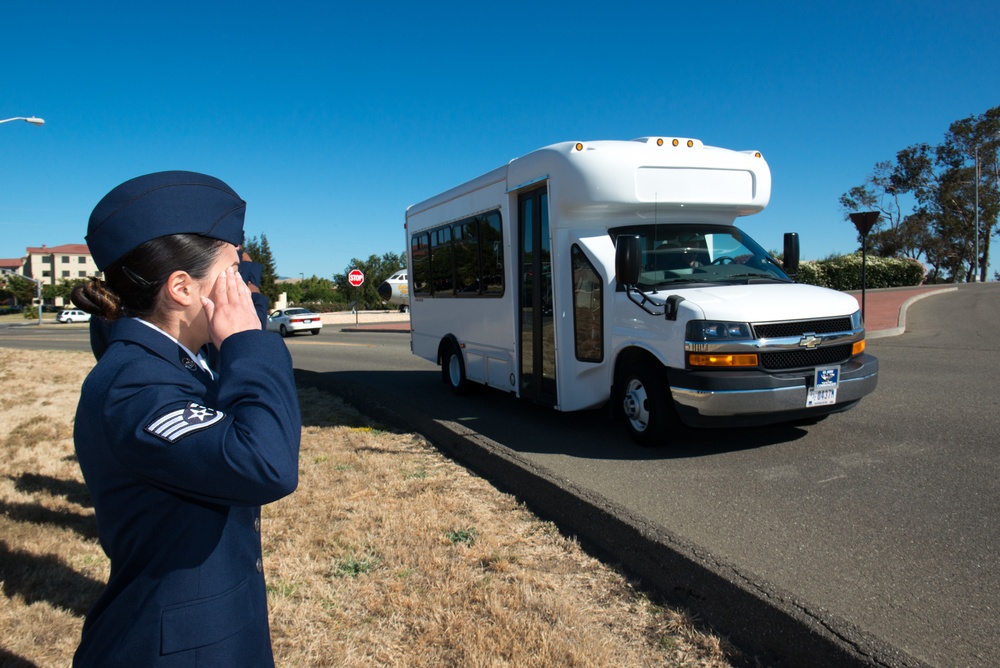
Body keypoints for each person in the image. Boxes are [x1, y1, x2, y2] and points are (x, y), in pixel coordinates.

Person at [70, 171, 301, 666]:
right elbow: (265, 463)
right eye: (233, 271)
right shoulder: (133, 384)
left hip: (214, 634)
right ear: (180, 288)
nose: (244, 285)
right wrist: (248, 339)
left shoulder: (175, 359)